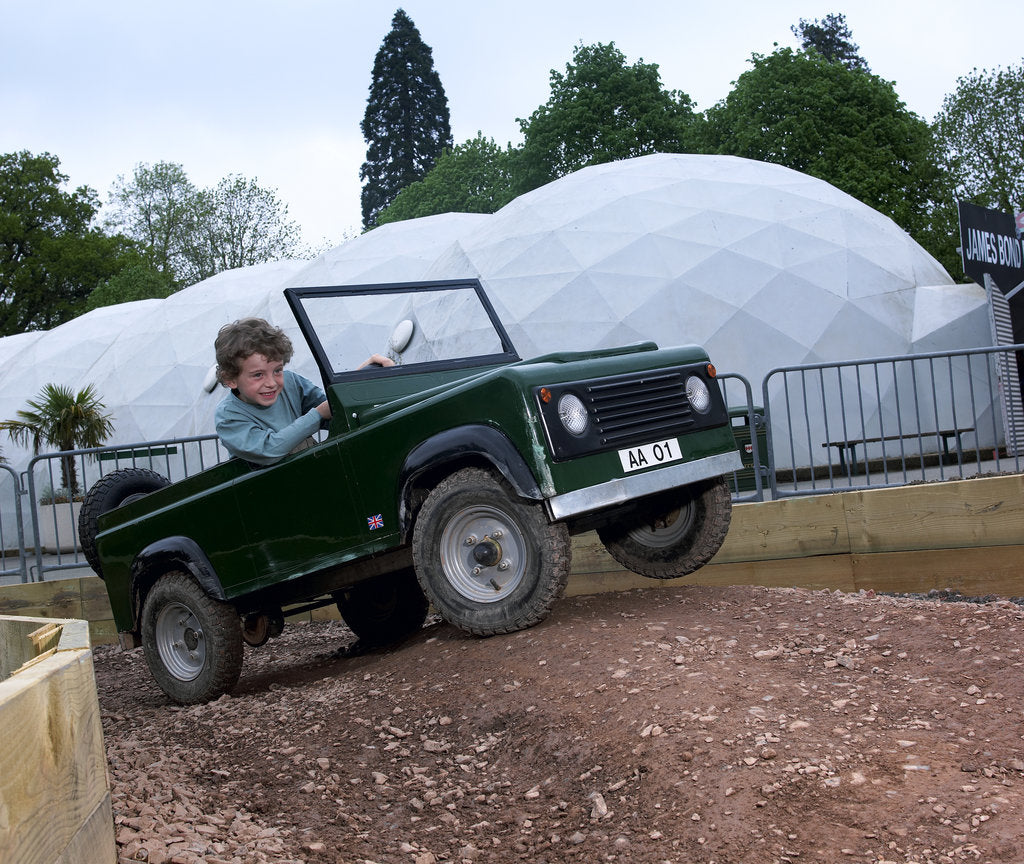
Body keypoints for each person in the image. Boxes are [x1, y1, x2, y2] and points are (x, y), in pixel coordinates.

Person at [214, 317, 394, 466]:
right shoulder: (228, 416)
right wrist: (317, 415)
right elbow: (269, 449)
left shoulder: (291, 382)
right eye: (258, 375)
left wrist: (358, 379)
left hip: (308, 471)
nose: (271, 383)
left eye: (277, 370)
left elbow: (335, 413)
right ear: (230, 378)